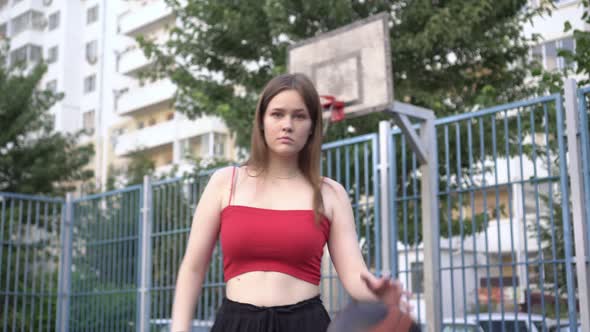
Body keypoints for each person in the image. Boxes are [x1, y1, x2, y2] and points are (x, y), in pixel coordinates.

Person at [170, 73, 415, 332]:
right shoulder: (225, 183)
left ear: (312, 126)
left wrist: (377, 296)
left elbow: (354, 274)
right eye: (277, 114)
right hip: (236, 323)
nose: (287, 124)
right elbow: (193, 268)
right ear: (262, 121)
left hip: (306, 323)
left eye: (299, 116)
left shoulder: (331, 193)